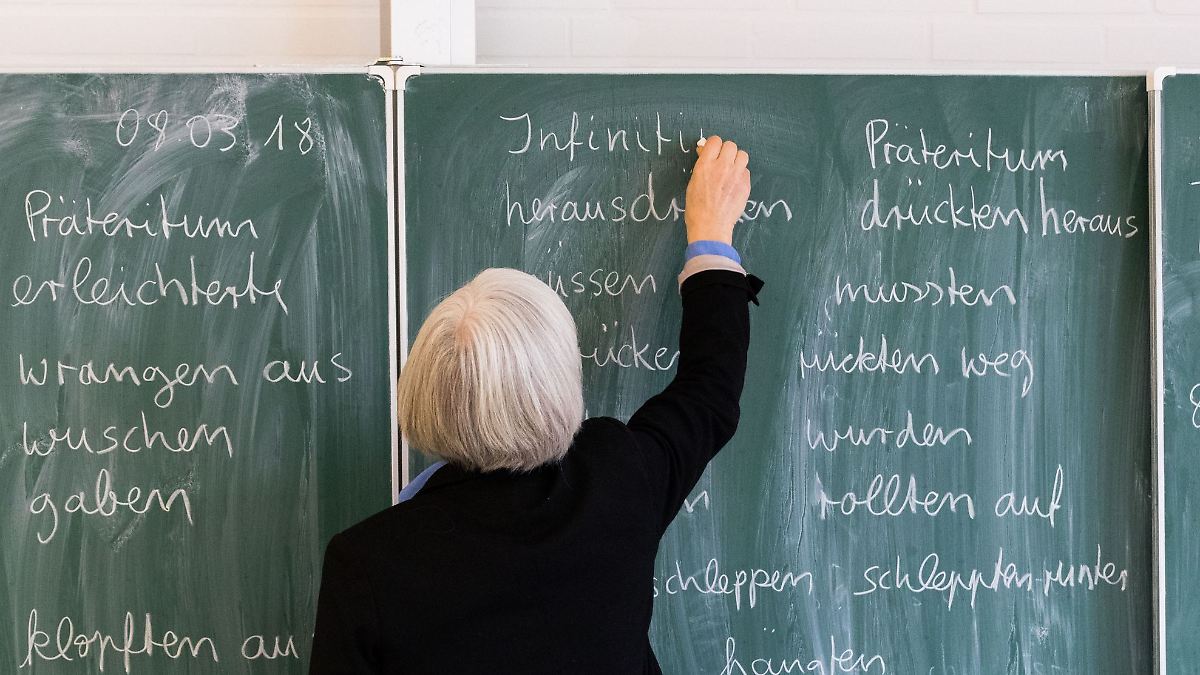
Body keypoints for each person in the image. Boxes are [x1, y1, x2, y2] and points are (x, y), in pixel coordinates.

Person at [309, 135, 762, 674]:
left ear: (422, 392)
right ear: (561, 386)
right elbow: (709, 391)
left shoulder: (367, 563)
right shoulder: (615, 479)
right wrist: (711, 234)